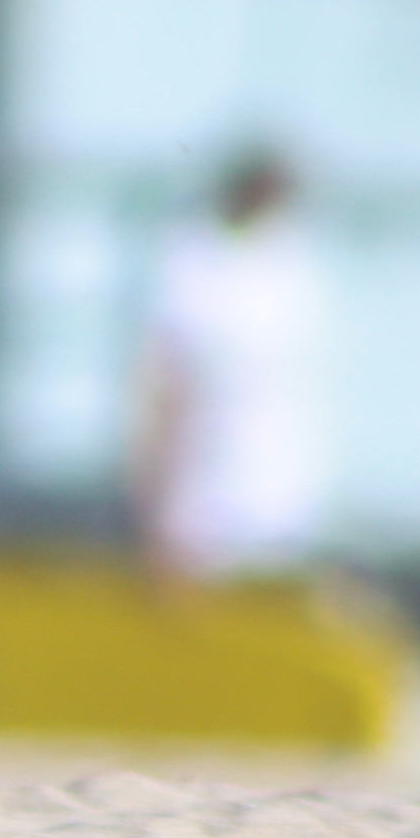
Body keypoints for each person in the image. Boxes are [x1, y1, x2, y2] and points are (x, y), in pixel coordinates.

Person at [131, 146, 327, 586]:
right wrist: (158, 502)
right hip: (204, 493)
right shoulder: (195, 259)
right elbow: (168, 381)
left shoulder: (287, 261)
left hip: (272, 494)